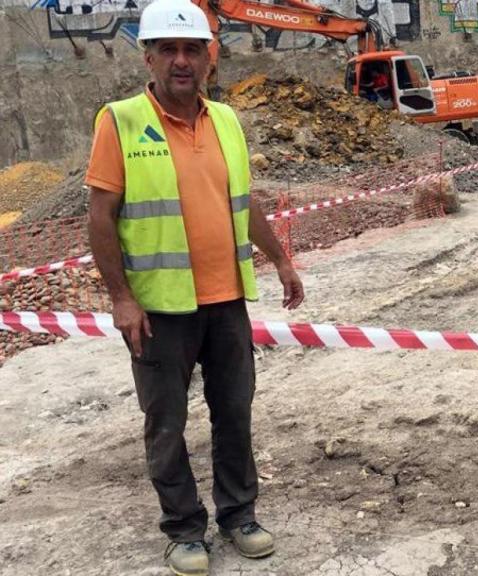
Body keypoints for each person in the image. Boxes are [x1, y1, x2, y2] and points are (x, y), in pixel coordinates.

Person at [85, 0, 303, 574]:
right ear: (149, 57)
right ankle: (184, 529)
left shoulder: (226, 120)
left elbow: (243, 202)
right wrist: (121, 298)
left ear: (211, 57)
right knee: (167, 423)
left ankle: (239, 516)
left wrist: (279, 259)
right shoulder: (121, 120)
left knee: (235, 412)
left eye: (193, 50)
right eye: (169, 50)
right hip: (159, 309)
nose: (182, 61)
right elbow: (100, 215)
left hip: (226, 300)